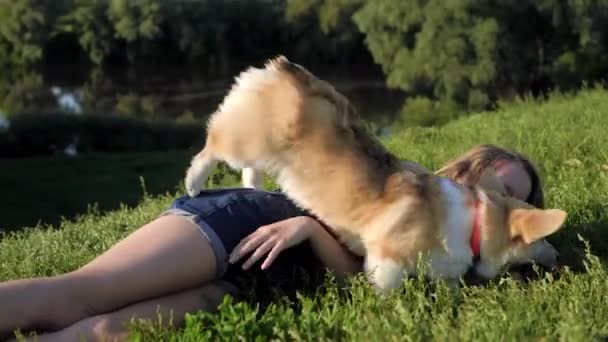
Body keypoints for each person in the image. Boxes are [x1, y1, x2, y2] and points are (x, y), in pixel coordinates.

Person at [0, 144, 547, 341]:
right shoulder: (410, 181)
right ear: (470, 170)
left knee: (98, 332)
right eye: (497, 182)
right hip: (249, 222)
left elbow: (359, 280)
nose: (502, 198)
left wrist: (309, 234)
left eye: (516, 197)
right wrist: (299, 220)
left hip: (261, 281)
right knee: (81, 293)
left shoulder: (456, 264)